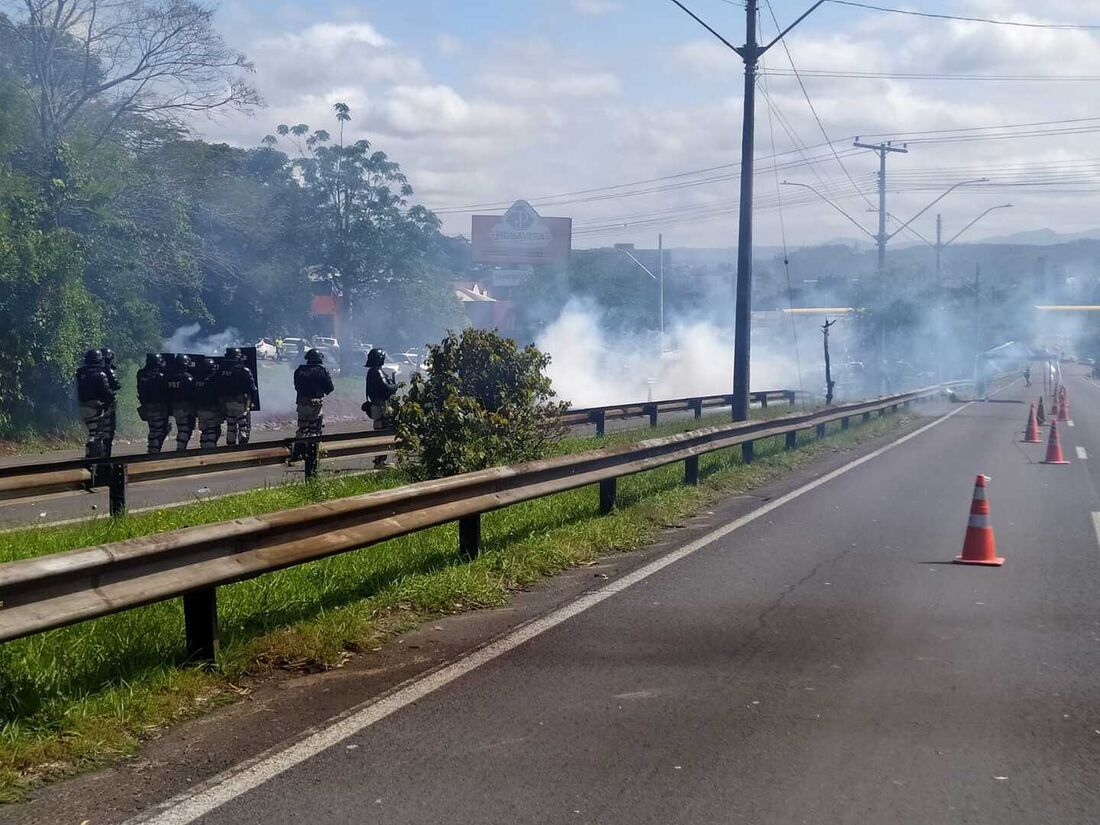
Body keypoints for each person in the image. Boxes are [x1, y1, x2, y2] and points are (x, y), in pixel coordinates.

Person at [75, 349, 115, 459]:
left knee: (92, 431)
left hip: (83, 406)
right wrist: (111, 398)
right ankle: (93, 454)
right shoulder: (100, 374)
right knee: (97, 433)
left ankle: (91, 453)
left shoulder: (80, 373)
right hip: (96, 406)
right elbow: (106, 391)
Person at [293, 349, 334, 443]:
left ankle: (298, 450)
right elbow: (330, 388)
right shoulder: (322, 370)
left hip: (301, 404)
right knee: (314, 429)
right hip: (315, 405)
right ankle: (313, 453)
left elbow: (297, 386)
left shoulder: (299, 370)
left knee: (302, 429)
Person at [221, 347, 258, 446]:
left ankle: (230, 448)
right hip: (241, 403)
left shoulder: (222, 371)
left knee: (231, 427)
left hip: (227, 404)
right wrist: (252, 402)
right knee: (243, 427)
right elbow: (253, 389)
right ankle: (242, 449)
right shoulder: (244, 370)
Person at [136, 353, 172, 453]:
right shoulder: (160, 376)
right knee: (160, 430)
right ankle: (154, 451)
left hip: (146, 406)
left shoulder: (141, 374)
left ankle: (152, 449)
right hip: (158, 406)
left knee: (153, 429)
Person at [166, 354, 197, 451]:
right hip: (186, 406)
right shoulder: (187, 378)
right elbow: (193, 392)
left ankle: (181, 447)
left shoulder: (170, 377)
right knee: (185, 429)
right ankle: (180, 449)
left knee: (181, 427)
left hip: (175, 406)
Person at [192, 356, 223, 449]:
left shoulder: (196, 380)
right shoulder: (213, 380)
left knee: (205, 431)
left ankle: (204, 448)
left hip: (200, 410)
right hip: (212, 409)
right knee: (212, 431)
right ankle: (209, 452)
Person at [98, 347, 122, 457]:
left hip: (94, 405)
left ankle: (98, 452)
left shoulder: (93, 370)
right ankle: (105, 454)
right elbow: (116, 385)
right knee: (109, 430)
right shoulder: (107, 370)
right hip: (107, 404)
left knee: (97, 431)